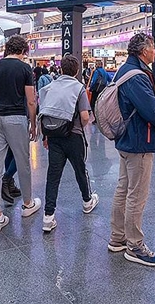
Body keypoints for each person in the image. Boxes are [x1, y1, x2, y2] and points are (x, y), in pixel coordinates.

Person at [108, 33, 155, 267]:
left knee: (123, 189)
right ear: (143, 51)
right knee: (136, 194)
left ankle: (117, 238)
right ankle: (134, 246)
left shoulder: (123, 70)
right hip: (138, 141)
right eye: (153, 48)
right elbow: (152, 110)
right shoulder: (137, 77)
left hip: (126, 140)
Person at [0, 35, 41, 234]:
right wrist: (33, 124)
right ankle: (28, 204)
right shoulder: (24, 68)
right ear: (24, 51)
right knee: (23, 163)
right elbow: (31, 101)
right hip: (15, 119)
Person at [38, 54, 99, 233]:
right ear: (77, 71)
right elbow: (85, 116)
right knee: (80, 170)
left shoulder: (50, 86)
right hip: (74, 137)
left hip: (54, 137)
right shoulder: (78, 88)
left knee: (53, 175)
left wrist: (47, 136)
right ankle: (87, 201)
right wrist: (79, 127)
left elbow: (46, 111)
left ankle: (48, 217)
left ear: (61, 69)